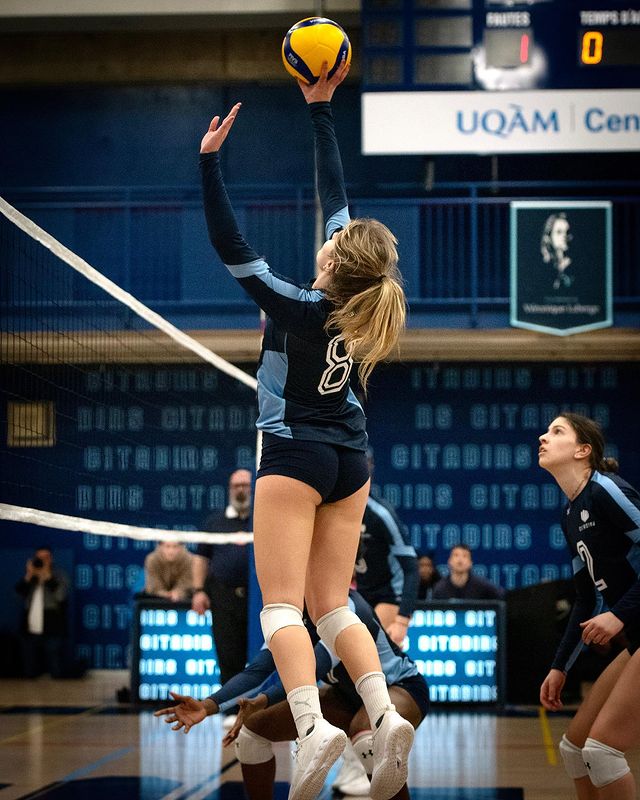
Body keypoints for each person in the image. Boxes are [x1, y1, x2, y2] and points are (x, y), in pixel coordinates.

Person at [198, 59, 411, 800]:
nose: (328, 234)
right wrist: (320, 110)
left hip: (294, 453)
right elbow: (338, 197)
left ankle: (315, 726)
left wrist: (208, 163)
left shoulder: (296, 303)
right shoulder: (359, 302)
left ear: (332, 259)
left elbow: (229, 242)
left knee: (284, 605)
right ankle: (383, 716)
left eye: (331, 240)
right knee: (331, 605)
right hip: (352, 458)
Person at [154, 590, 429, 800]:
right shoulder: (289, 611)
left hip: (401, 687)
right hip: (345, 695)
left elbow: (309, 673)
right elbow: (257, 670)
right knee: (253, 730)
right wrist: (208, 706)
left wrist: (260, 701)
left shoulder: (345, 607)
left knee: (365, 732)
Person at [538, 412, 640, 800]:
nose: (543, 437)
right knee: (575, 750)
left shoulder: (605, 490)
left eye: (557, 431)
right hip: (635, 635)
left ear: (583, 451)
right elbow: (586, 598)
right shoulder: (570, 513)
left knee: (603, 752)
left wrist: (619, 613)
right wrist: (559, 666)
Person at [192, 469, 253, 686]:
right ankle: (230, 711)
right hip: (224, 598)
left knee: (260, 657)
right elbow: (200, 559)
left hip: (256, 601)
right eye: (236, 486)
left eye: (245, 485)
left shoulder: (262, 519)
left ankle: (260, 714)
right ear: (229, 489)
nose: (241, 490)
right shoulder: (214, 522)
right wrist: (199, 591)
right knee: (228, 656)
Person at [355, 450, 418, 646]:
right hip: (361, 593)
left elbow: (411, 568)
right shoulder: (336, 511)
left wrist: (402, 620)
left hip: (389, 595)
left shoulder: (380, 514)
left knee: (375, 653)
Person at [15, 546, 69, 678]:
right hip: (30, 625)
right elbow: (17, 595)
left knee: (55, 667)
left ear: (51, 559)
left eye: (45, 558)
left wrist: (47, 577)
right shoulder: (30, 576)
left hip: (52, 624)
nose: (42, 561)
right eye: (39, 558)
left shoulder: (59, 575)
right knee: (29, 668)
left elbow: (61, 596)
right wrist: (29, 575)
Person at [432, 544, 504, 600]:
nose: (460, 560)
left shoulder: (483, 586)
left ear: (470, 563)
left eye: (465, 556)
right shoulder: (439, 588)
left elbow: (502, 597)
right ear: (449, 561)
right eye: (456, 555)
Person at [540, 212, 573, 290]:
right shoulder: (545, 268)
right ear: (548, 237)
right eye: (559, 232)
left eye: (567, 232)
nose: (565, 236)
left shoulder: (573, 266)